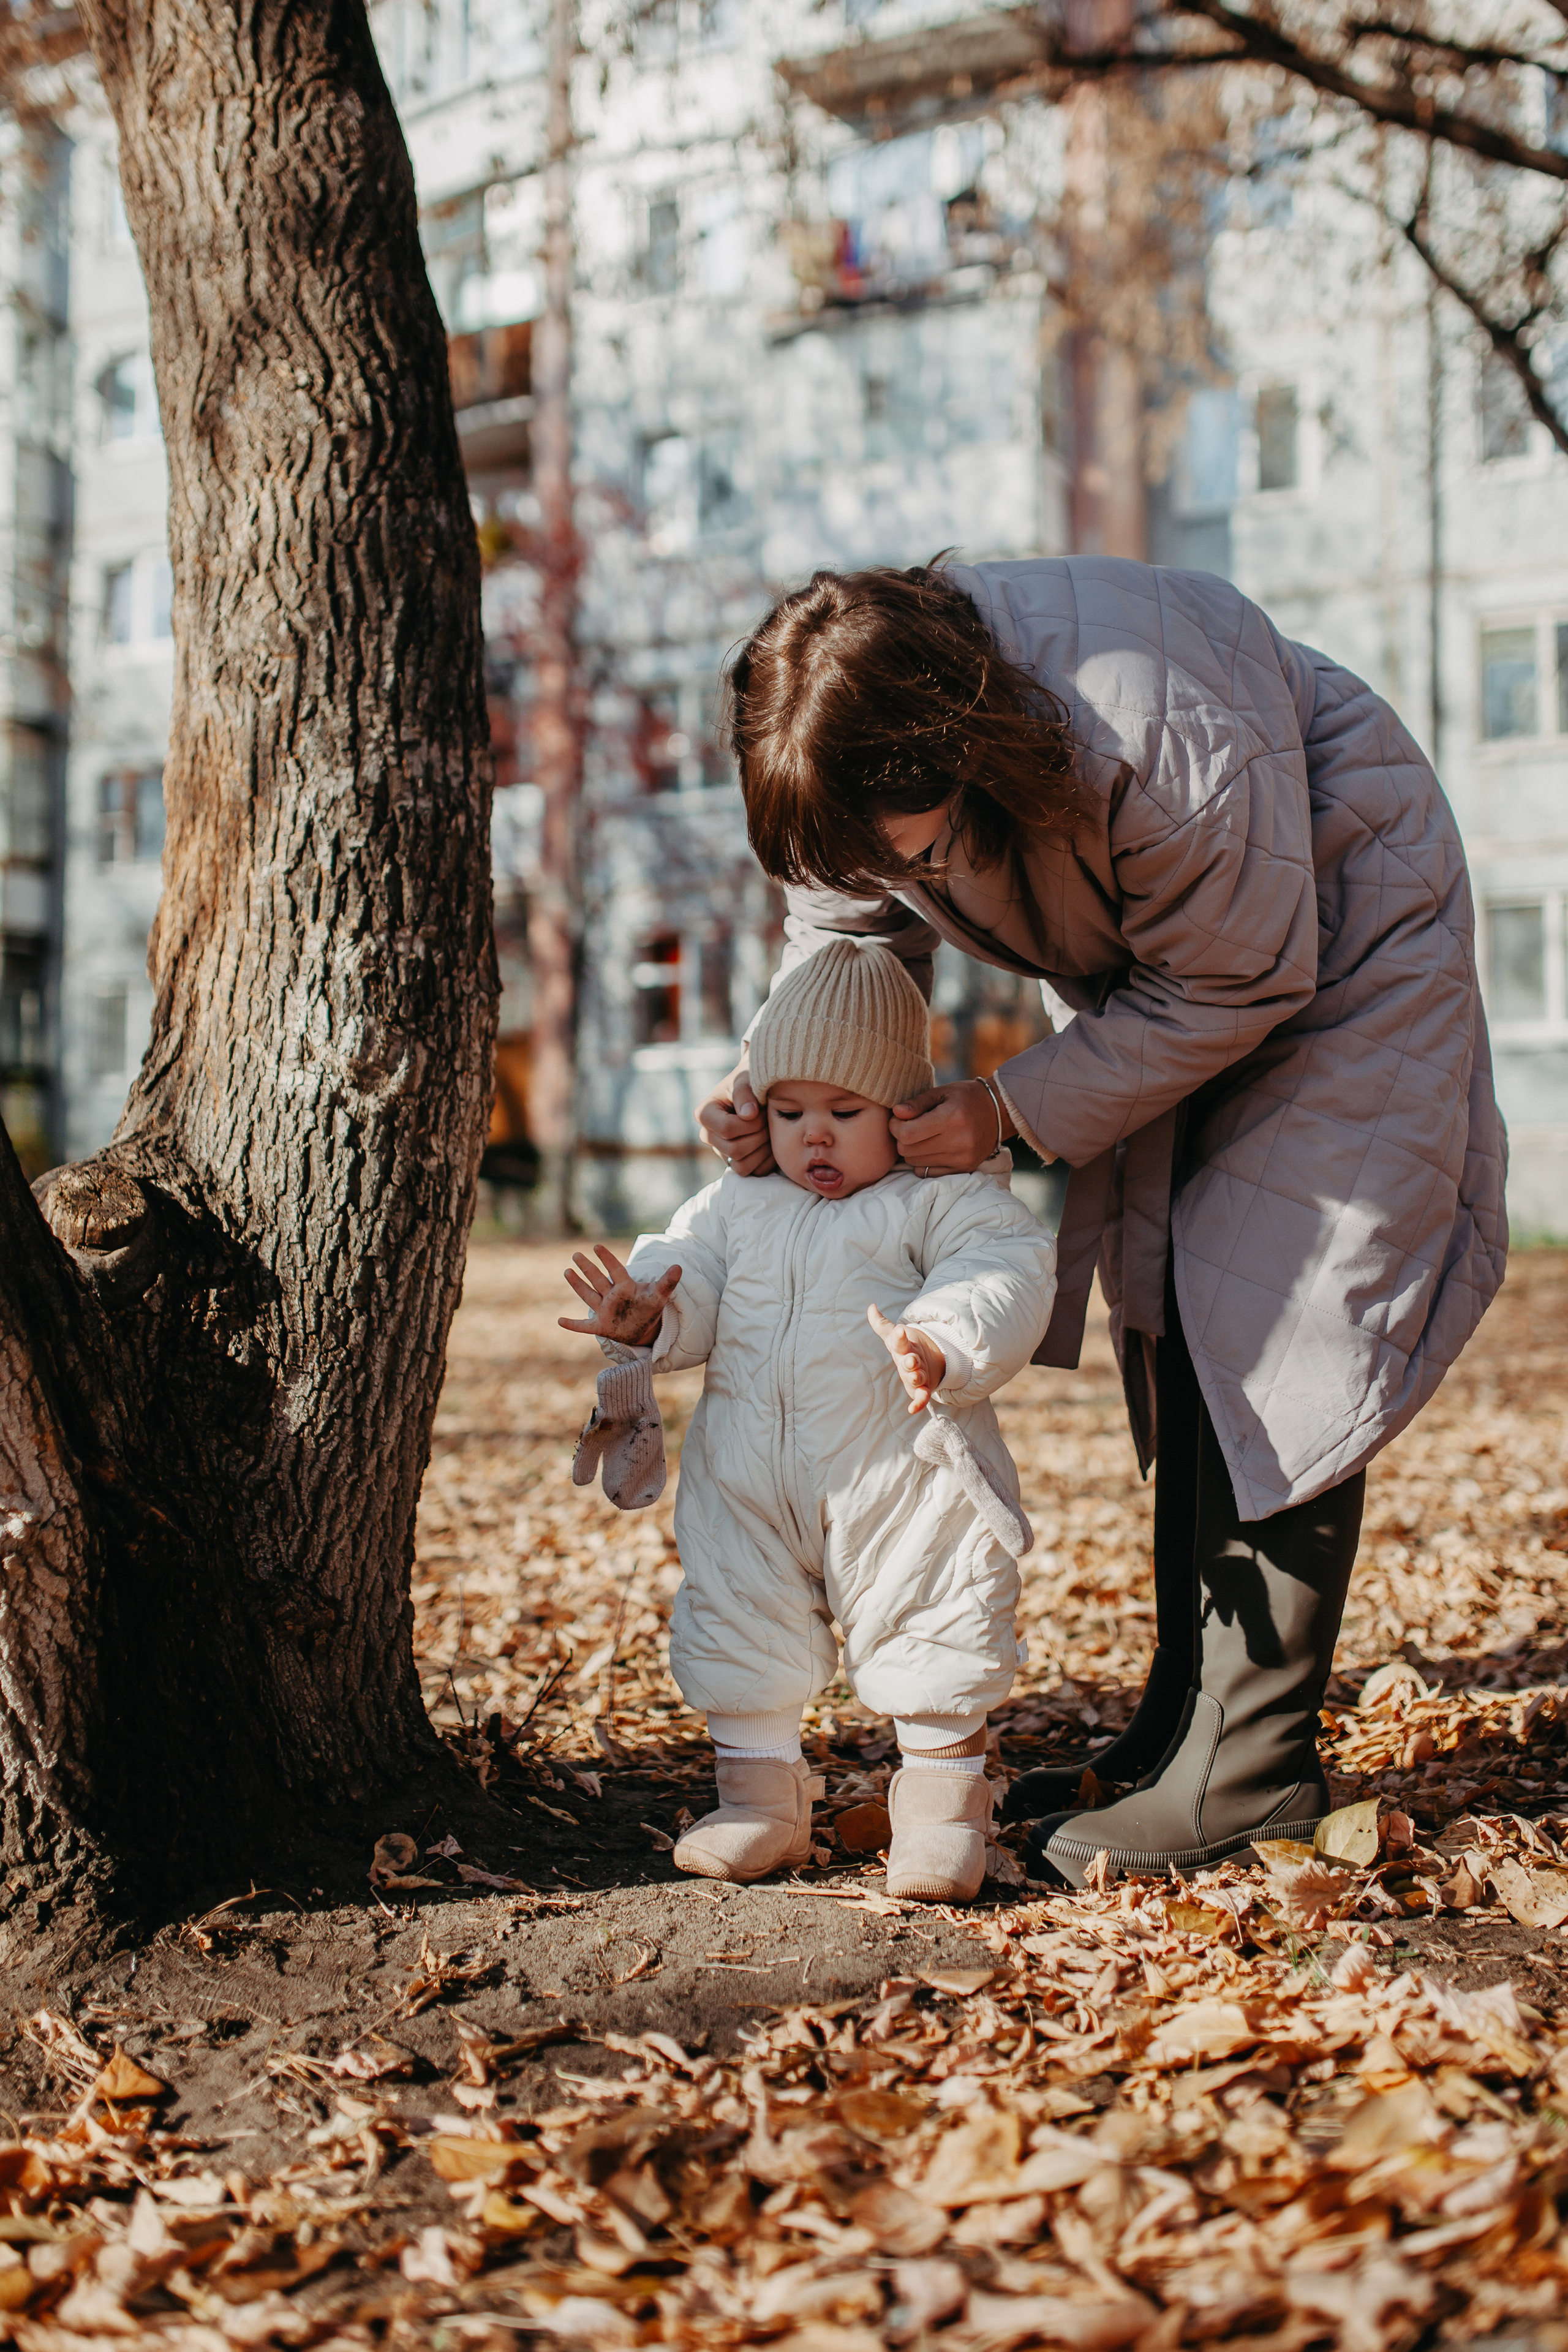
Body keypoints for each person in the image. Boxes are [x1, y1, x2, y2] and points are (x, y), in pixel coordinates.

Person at [699, 556, 1507, 1888]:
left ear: (960, 752)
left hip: (1340, 932)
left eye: (903, 854)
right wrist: (782, 1086)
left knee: (1272, 1312)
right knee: (1175, 1293)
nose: (885, 878)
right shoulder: (860, 748)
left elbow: (1243, 966)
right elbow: (840, 945)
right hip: (1191, 967)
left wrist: (1008, 1109)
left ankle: (1251, 1776)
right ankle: (1177, 1732)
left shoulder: (1150, 727)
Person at [560, 940, 1057, 1902]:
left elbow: (1002, 1269)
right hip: (750, 1474)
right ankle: (760, 1803)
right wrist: (651, 1316)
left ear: (903, 1114)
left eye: (844, 1114)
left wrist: (942, 1342)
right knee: (740, 1619)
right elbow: (688, 1269)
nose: (813, 1138)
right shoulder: (738, 1204)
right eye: (789, 1114)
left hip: (900, 1474)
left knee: (935, 1612)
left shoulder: (938, 1200)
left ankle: (943, 1813)